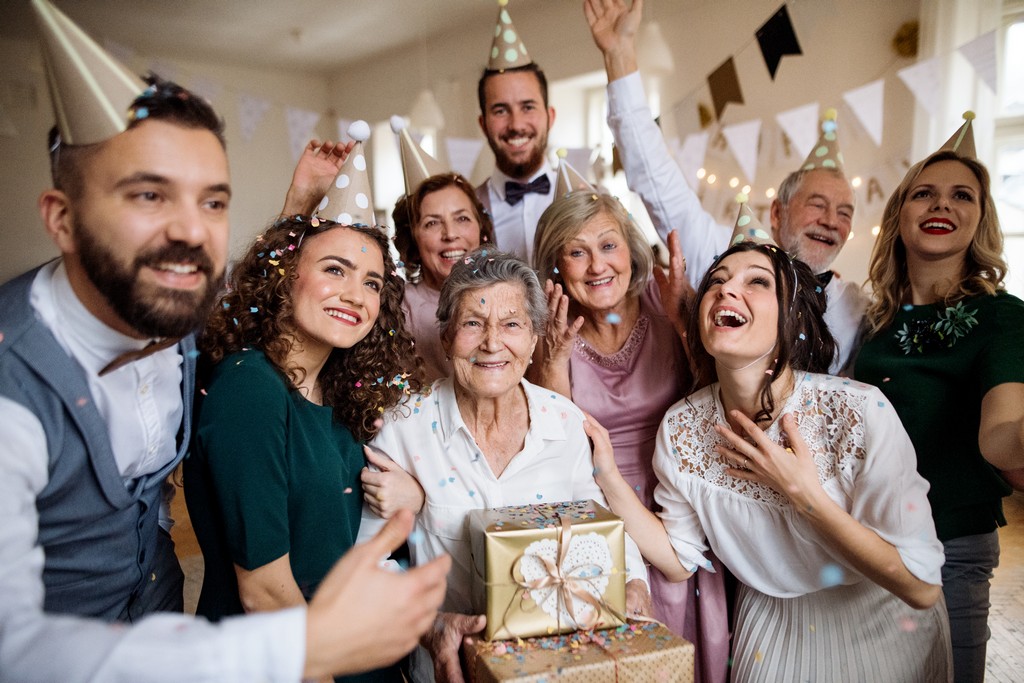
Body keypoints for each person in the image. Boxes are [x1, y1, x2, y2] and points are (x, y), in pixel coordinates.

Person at [0, 2, 449, 679]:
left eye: (212, 201)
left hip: (163, 611)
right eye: (148, 196)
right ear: (62, 219)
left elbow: (250, 308)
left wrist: (300, 205)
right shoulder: (14, 386)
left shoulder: (182, 330)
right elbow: (14, 645)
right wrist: (305, 648)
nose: (190, 230)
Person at [588, 238, 952, 682]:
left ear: (791, 317)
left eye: (757, 281)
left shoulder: (858, 411)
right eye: (716, 282)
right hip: (768, 629)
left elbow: (921, 587)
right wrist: (606, 474)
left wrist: (804, 495)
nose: (725, 291)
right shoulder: (682, 427)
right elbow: (679, 559)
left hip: (880, 625)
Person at [358, 249, 651, 683]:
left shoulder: (564, 421)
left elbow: (600, 524)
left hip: (557, 665)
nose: (492, 342)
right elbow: (367, 560)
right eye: (473, 324)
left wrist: (635, 584)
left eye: (511, 324)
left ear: (533, 339)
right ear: (446, 337)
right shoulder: (404, 427)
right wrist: (430, 626)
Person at [183, 216, 425, 682]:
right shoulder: (250, 389)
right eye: (335, 270)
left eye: (371, 283)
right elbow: (265, 592)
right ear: (284, 277)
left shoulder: (338, 396)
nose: (356, 295)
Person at [585, 0, 867, 372]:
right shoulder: (719, 253)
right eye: (818, 204)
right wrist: (619, 56)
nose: (831, 220)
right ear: (778, 212)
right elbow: (654, 175)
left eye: (844, 212)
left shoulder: (855, 306)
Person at [530, 189, 728, 682]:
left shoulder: (668, 300)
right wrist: (553, 362)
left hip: (680, 506)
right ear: (557, 265)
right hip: (597, 511)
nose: (597, 265)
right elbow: (559, 450)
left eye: (608, 245)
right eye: (577, 251)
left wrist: (687, 327)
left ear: (630, 250)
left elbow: (714, 404)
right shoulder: (546, 330)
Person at [854, 119, 1024, 681]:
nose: (941, 204)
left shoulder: (1001, 317)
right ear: (900, 215)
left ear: (979, 218)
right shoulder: (873, 321)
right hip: (867, 544)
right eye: (924, 192)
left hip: (950, 544)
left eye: (961, 195)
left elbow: (1002, 435)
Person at [473, 3, 557, 263]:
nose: (516, 124)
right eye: (500, 110)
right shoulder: (467, 212)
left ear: (550, 116)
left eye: (528, 107)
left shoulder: (585, 196)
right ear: (483, 124)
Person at [393, 173, 496, 382]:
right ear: (413, 239)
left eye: (462, 219)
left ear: (481, 229)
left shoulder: (510, 299)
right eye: (432, 223)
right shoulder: (397, 310)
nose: (450, 234)